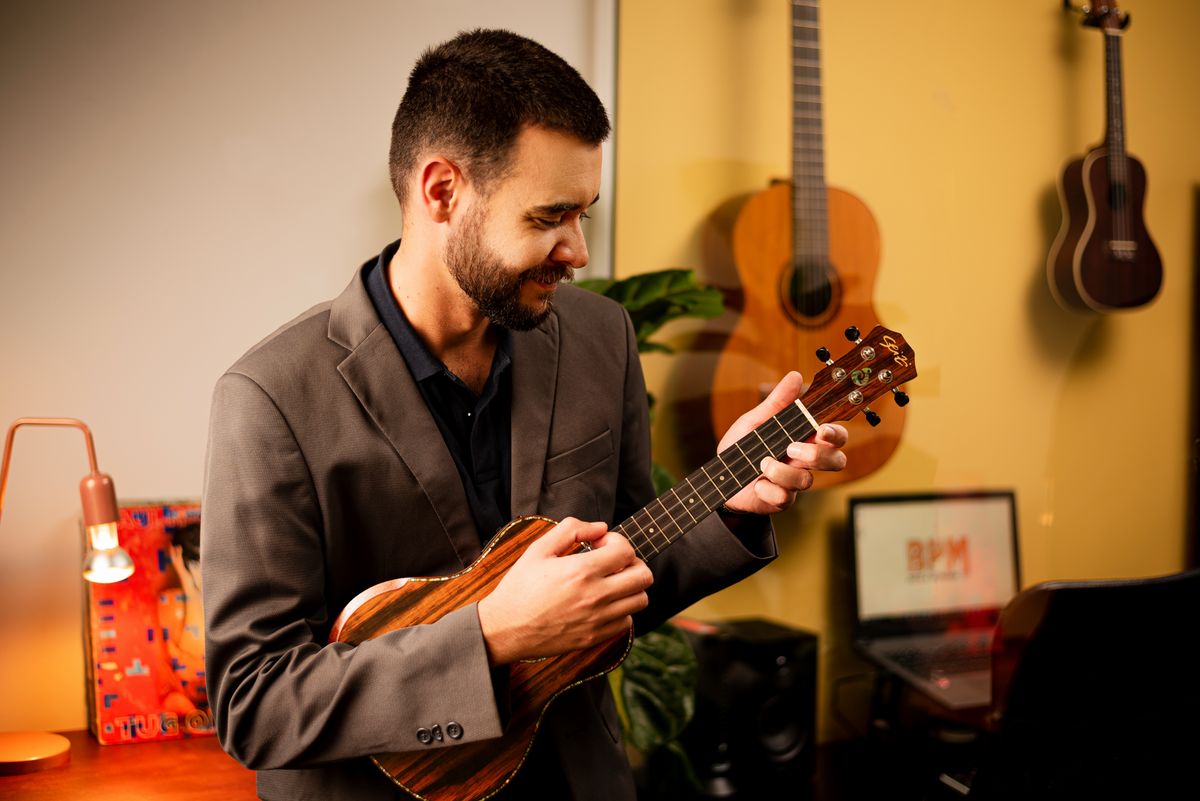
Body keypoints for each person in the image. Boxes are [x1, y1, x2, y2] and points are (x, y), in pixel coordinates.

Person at [201, 28, 848, 801]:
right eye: (549, 217)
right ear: (442, 191)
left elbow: (627, 565)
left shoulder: (601, 337)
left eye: (586, 214)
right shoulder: (270, 398)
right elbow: (254, 702)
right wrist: (494, 634)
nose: (577, 250)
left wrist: (732, 503)